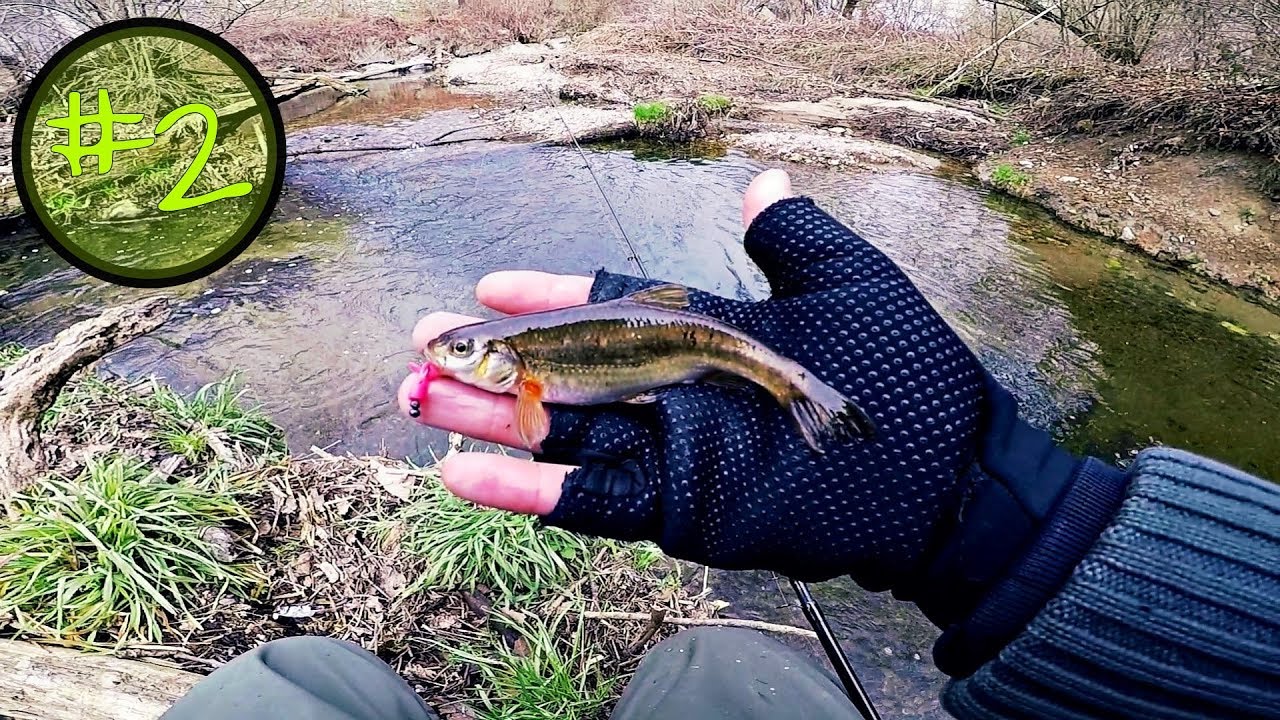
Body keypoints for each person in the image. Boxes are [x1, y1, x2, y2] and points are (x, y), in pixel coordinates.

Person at [162, 169, 1279, 720]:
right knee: (711, 670)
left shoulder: (557, 362)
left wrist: (1000, 511)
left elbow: (554, 403)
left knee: (286, 694)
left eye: (467, 352)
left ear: (508, 362)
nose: (457, 362)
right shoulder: (536, 355)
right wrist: (1008, 526)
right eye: (463, 353)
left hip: (701, 352)